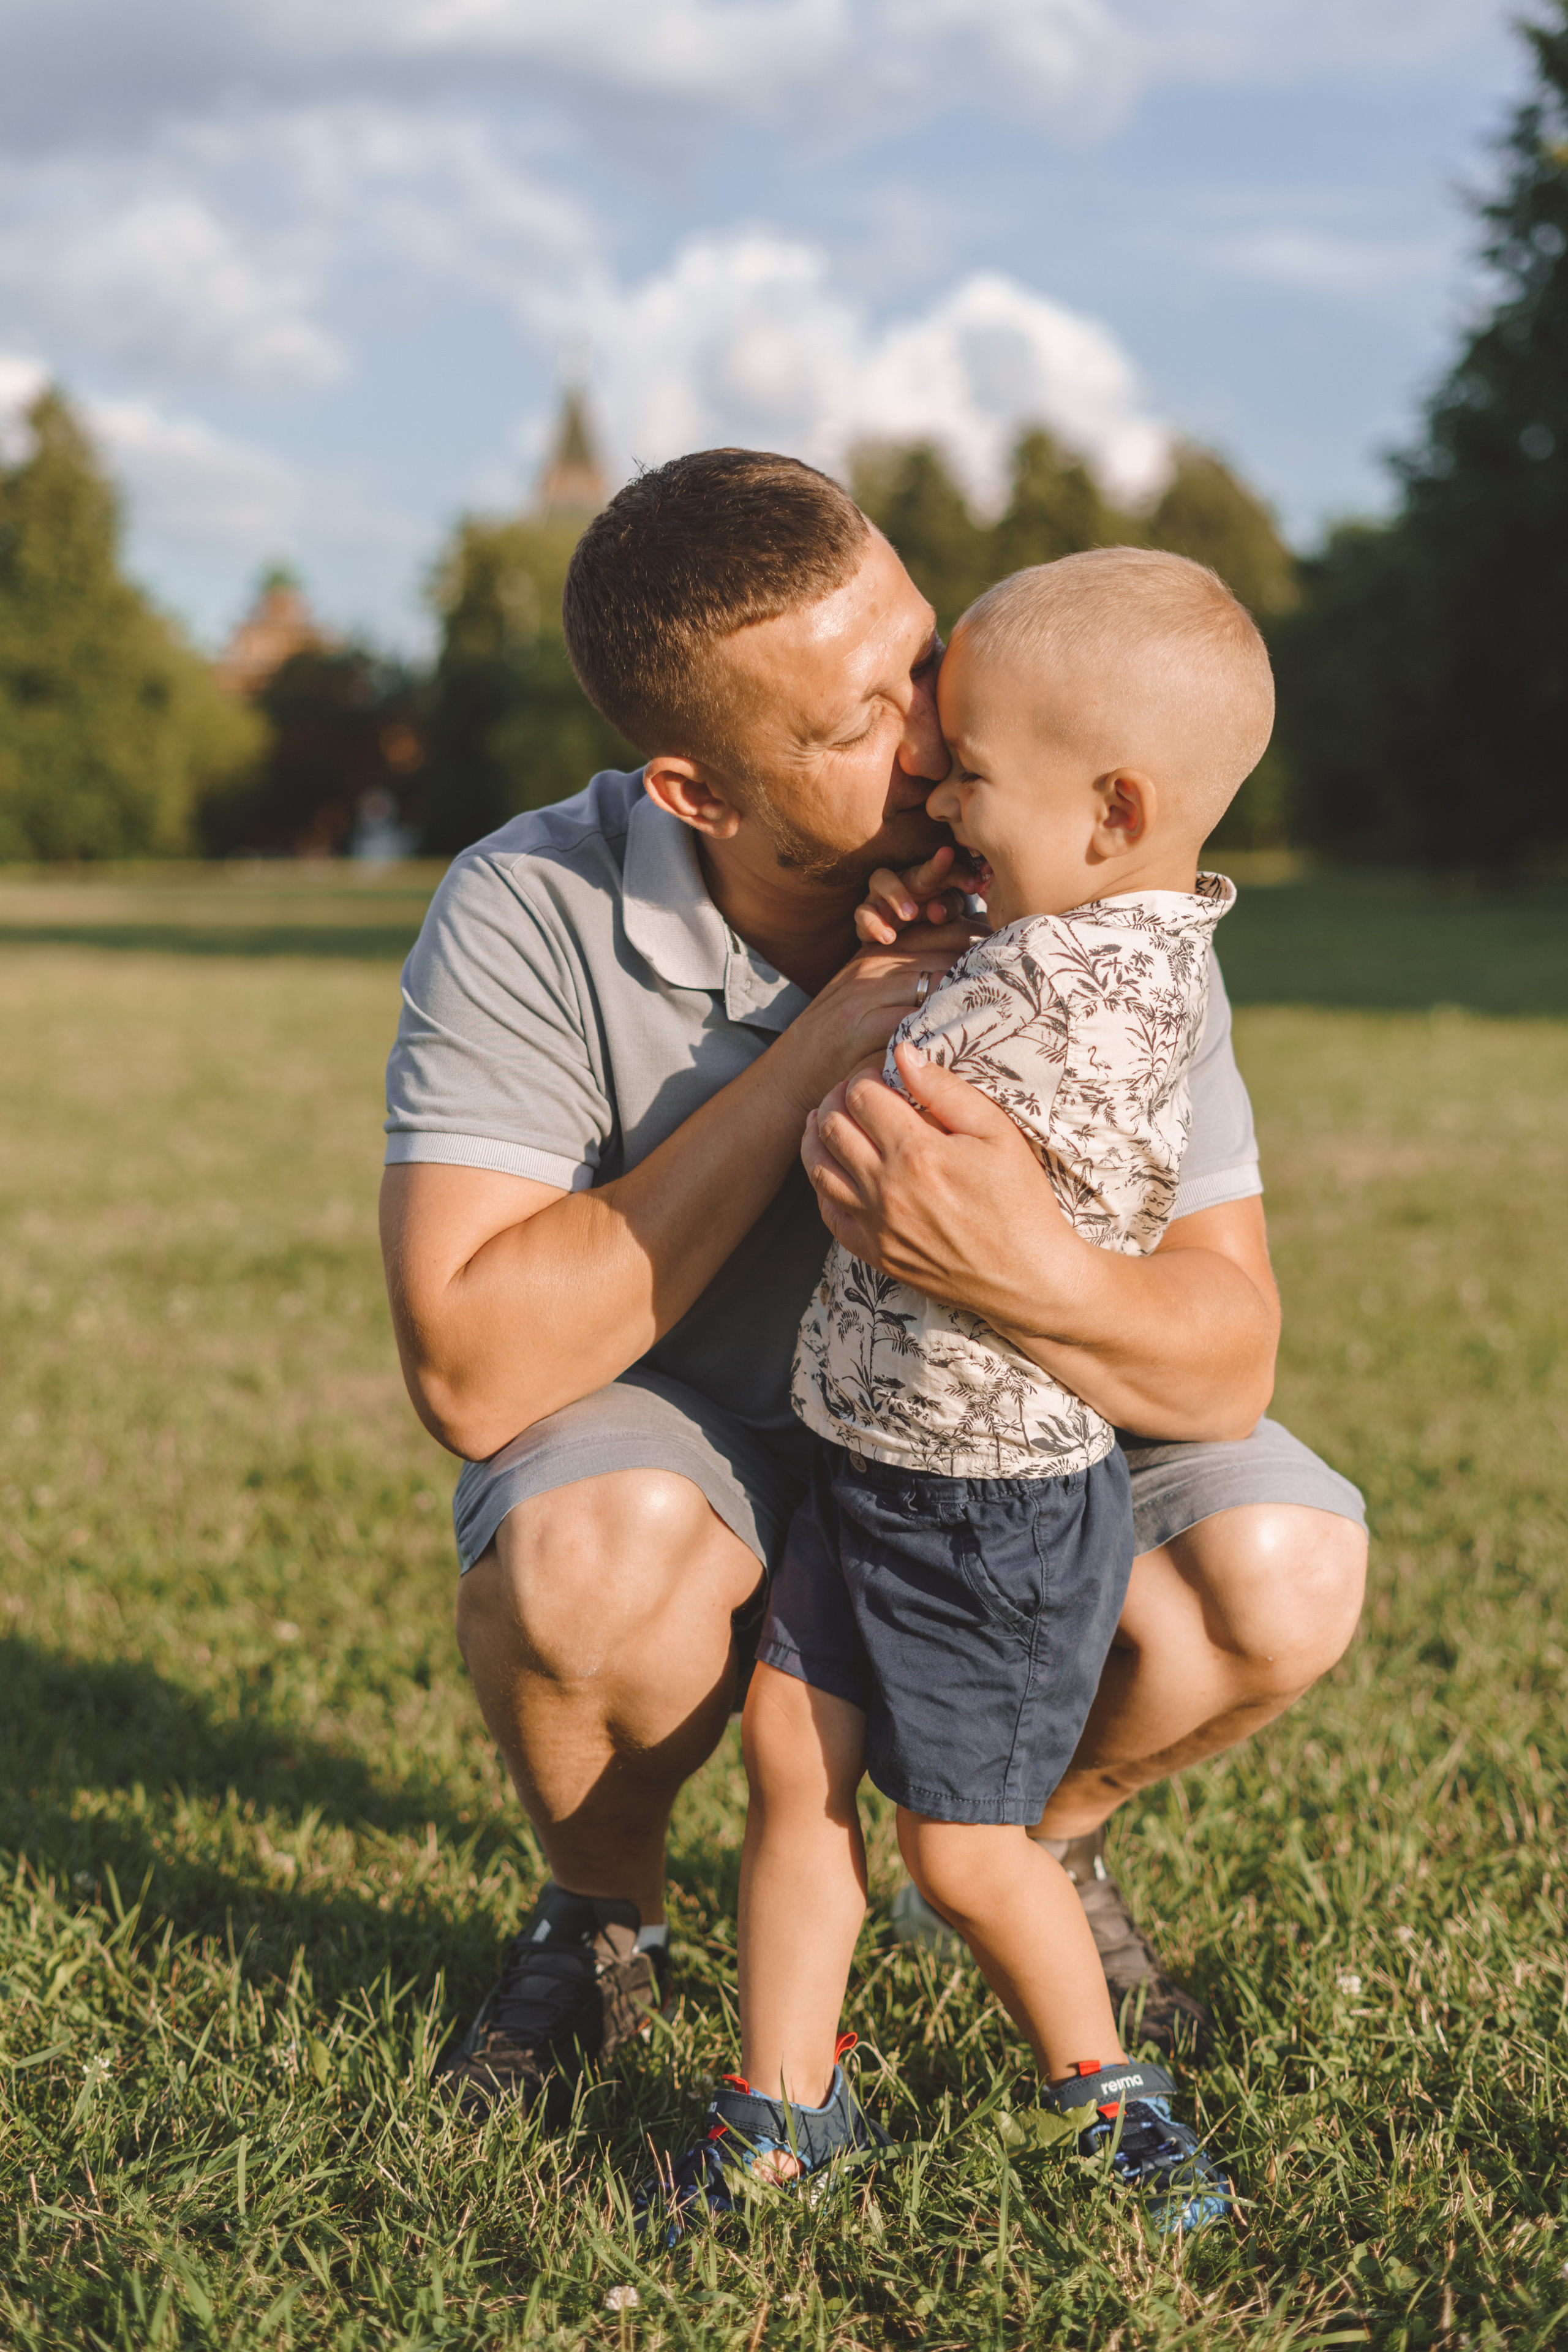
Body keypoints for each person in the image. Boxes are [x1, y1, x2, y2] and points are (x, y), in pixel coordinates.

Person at [377, 448, 1366, 2125]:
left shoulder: (1082, 905)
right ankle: (604, 1916)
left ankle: (1027, 1843)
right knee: (585, 1555)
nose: (934, 734)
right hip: (707, 1449)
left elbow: (1223, 1369)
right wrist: (820, 1049)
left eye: (920, 657)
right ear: (699, 792)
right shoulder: (531, 905)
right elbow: (472, 1370)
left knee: (1281, 1571)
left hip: (1007, 1447)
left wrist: (1030, 1270)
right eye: (857, 725)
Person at [639, 548, 1264, 2240]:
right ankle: (783, 2107)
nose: (937, 792)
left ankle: (1111, 2098)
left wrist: (904, 983)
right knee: (791, 1762)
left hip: (991, 1508)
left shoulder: (1108, 998)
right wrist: (949, 930)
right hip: (876, 1454)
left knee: (967, 1852)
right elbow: (973, 989)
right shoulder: (1059, 934)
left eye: (971, 775)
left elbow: (919, 1112)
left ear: (1114, 811)